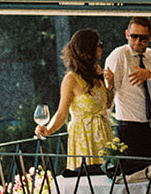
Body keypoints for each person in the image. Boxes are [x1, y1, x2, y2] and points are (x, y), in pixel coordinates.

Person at [35, 28, 114, 173]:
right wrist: (48, 130)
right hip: (84, 138)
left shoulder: (98, 71)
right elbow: (62, 113)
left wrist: (110, 85)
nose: (101, 47)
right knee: (87, 181)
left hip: (103, 134)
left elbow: (107, 105)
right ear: (89, 48)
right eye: (98, 44)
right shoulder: (71, 79)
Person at [104, 16, 151, 163]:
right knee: (133, 178)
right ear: (126, 34)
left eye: (143, 38)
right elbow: (109, 91)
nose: (137, 42)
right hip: (129, 129)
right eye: (134, 36)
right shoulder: (119, 55)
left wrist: (149, 74)